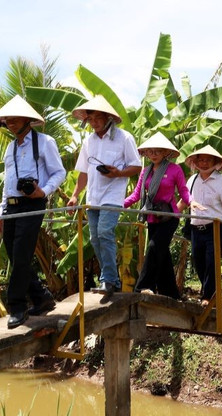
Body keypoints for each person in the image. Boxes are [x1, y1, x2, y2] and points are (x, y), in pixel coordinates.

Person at [0, 96, 67, 329]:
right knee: (15, 254)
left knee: (22, 253)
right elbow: (8, 182)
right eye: (7, 119)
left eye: (14, 118)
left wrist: (43, 192)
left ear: (27, 119)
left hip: (32, 204)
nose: (10, 122)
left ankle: (17, 306)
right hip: (12, 206)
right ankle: (41, 297)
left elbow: (59, 172)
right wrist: (2, 213)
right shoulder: (10, 148)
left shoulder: (44, 142)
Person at [68, 96, 141, 295]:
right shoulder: (88, 142)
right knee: (95, 239)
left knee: (104, 232)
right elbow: (83, 172)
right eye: (90, 119)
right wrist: (75, 195)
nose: (94, 123)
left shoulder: (124, 138)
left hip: (113, 195)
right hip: (93, 196)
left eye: (97, 118)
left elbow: (136, 165)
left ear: (108, 117)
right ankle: (112, 280)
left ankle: (108, 279)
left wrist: (117, 173)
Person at [123, 132, 190, 298]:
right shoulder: (145, 172)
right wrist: (119, 204)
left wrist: (191, 202)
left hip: (169, 217)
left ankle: (143, 286)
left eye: (157, 151)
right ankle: (172, 294)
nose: (153, 154)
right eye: (150, 151)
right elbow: (136, 195)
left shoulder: (175, 169)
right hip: (152, 217)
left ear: (165, 153)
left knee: (153, 248)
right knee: (162, 254)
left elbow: (183, 190)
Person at [184, 145, 222, 306]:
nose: (204, 163)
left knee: (212, 261)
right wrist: (171, 217)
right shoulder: (192, 180)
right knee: (198, 261)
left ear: (215, 162)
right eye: (201, 160)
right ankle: (212, 294)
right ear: (195, 161)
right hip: (196, 227)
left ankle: (207, 296)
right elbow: (183, 201)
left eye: (208, 160)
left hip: (215, 227)